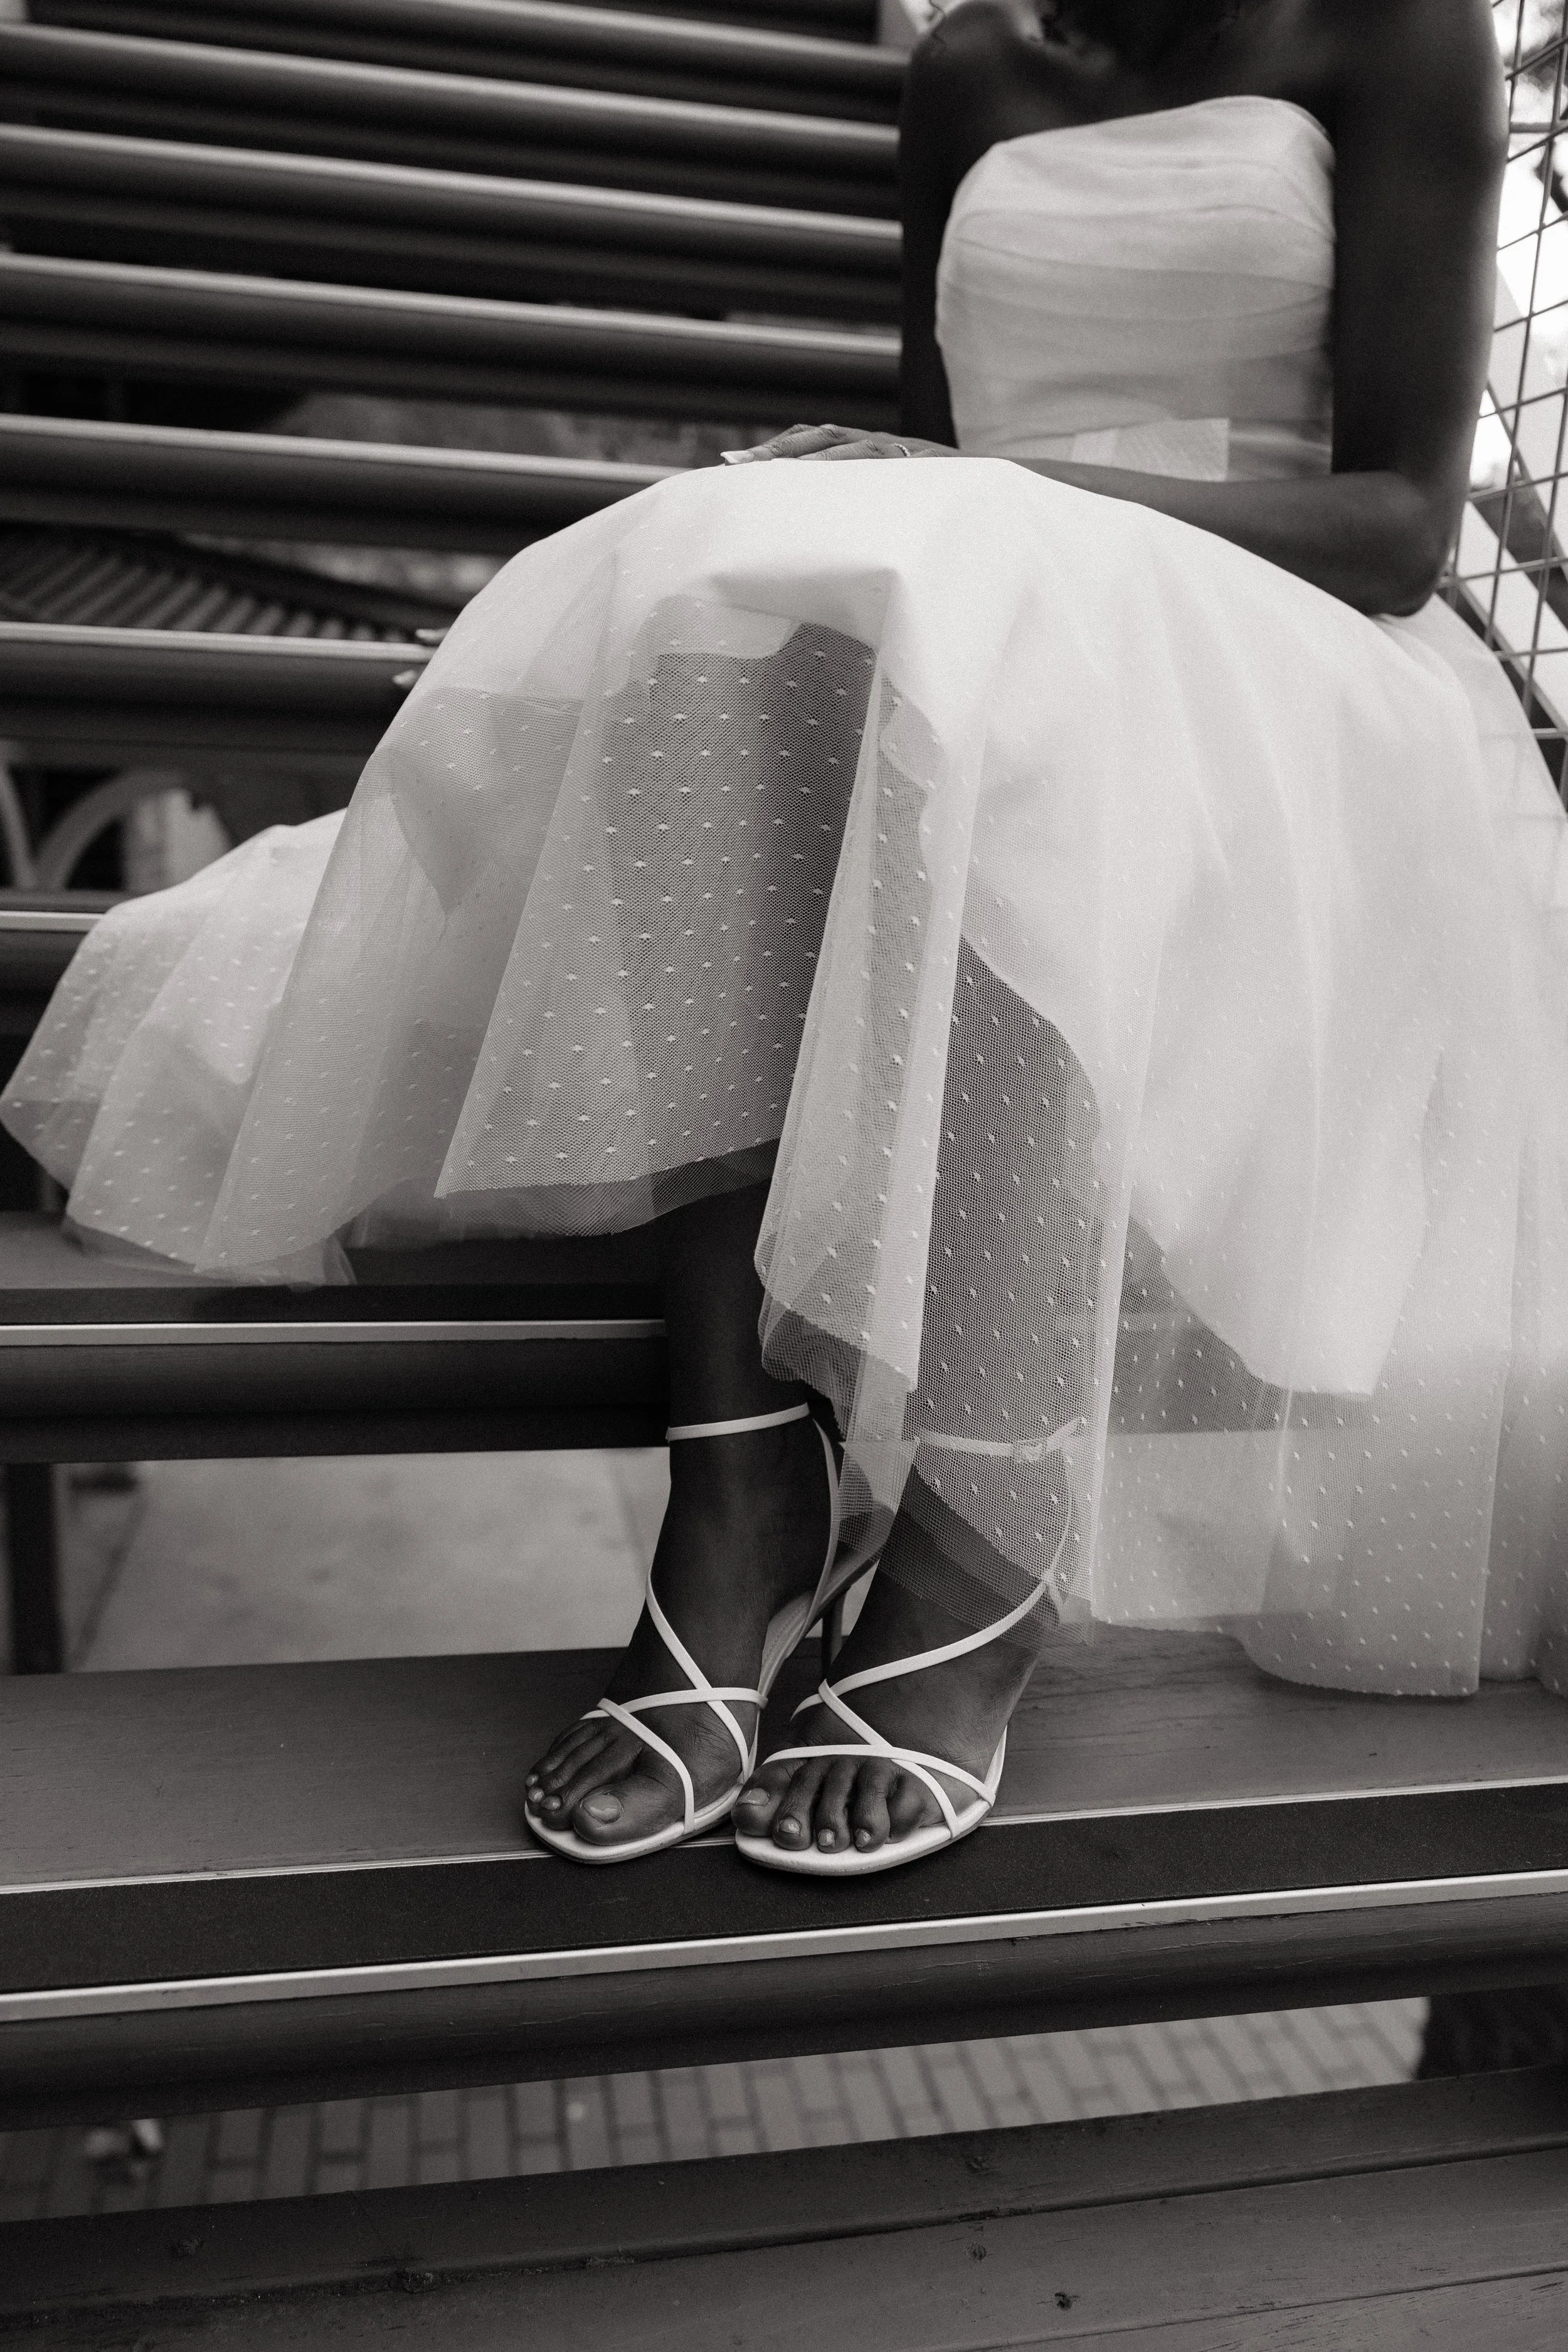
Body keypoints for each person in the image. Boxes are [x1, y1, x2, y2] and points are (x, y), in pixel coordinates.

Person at [8, 0, 1566, 1877]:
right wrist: (908, 512)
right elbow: (923, 481)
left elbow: (1398, 524)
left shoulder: (1395, 32)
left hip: (1273, 664)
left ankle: (981, 1508)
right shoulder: (969, 70)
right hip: (971, 623)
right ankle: (737, 1474)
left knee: (1005, 696)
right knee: (718, 614)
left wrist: (983, 505)